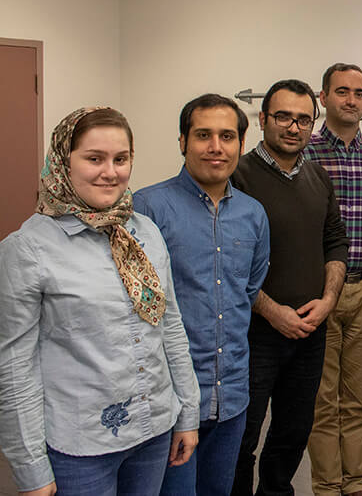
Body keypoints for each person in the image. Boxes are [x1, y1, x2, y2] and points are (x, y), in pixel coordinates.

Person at [0, 107, 200, 496]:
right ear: (63, 162)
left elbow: (169, 324)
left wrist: (186, 412)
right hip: (81, 446)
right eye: (94, 159)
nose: (111, 172)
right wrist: (30, 468)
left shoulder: (145, 231)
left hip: (154, 427)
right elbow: (13, 368)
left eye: (120, 159)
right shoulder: (27, 250)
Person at [134, 94, 270, 496]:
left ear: (241, 146)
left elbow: (248, 289)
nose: (216, 147)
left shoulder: (253, 214)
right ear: (182, 141)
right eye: (203, 135)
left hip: (231, 396)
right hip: (169, 400)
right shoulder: (147, 208)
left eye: (227, 136)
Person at [230, 79, 350, 496]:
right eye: (283, 117)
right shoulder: (237, 176)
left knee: (292, 431)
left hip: (309, 332)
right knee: (242, 438)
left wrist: (328, 301)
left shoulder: (318, 177)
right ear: (262, 119)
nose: (294, 127)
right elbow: (228, 263)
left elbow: (335, 240)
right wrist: (271, 310)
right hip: (253, 334)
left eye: (303, 119)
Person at [305, 64, 362, 496]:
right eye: (342, 92)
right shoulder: (303, 152)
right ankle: (326, 486)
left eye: (360, 93)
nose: (352, 100)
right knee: (322, 401)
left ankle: (356, 483)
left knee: (359, 399)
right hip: (317, 293)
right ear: (323, 97)